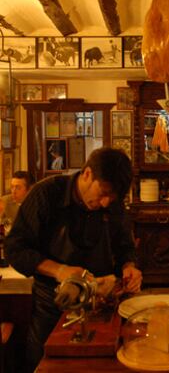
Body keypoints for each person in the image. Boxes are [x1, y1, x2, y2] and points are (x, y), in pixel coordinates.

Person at [5, 147, 142, 372]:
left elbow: (126, 247)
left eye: (113, 197)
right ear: (87, 174)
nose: (107, 203)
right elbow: (14, 249)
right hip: (53, 310)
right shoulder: (46, 194)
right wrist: (59, 270)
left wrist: (129, 267)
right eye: (104, 192)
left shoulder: (112, 204)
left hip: (103, 309)